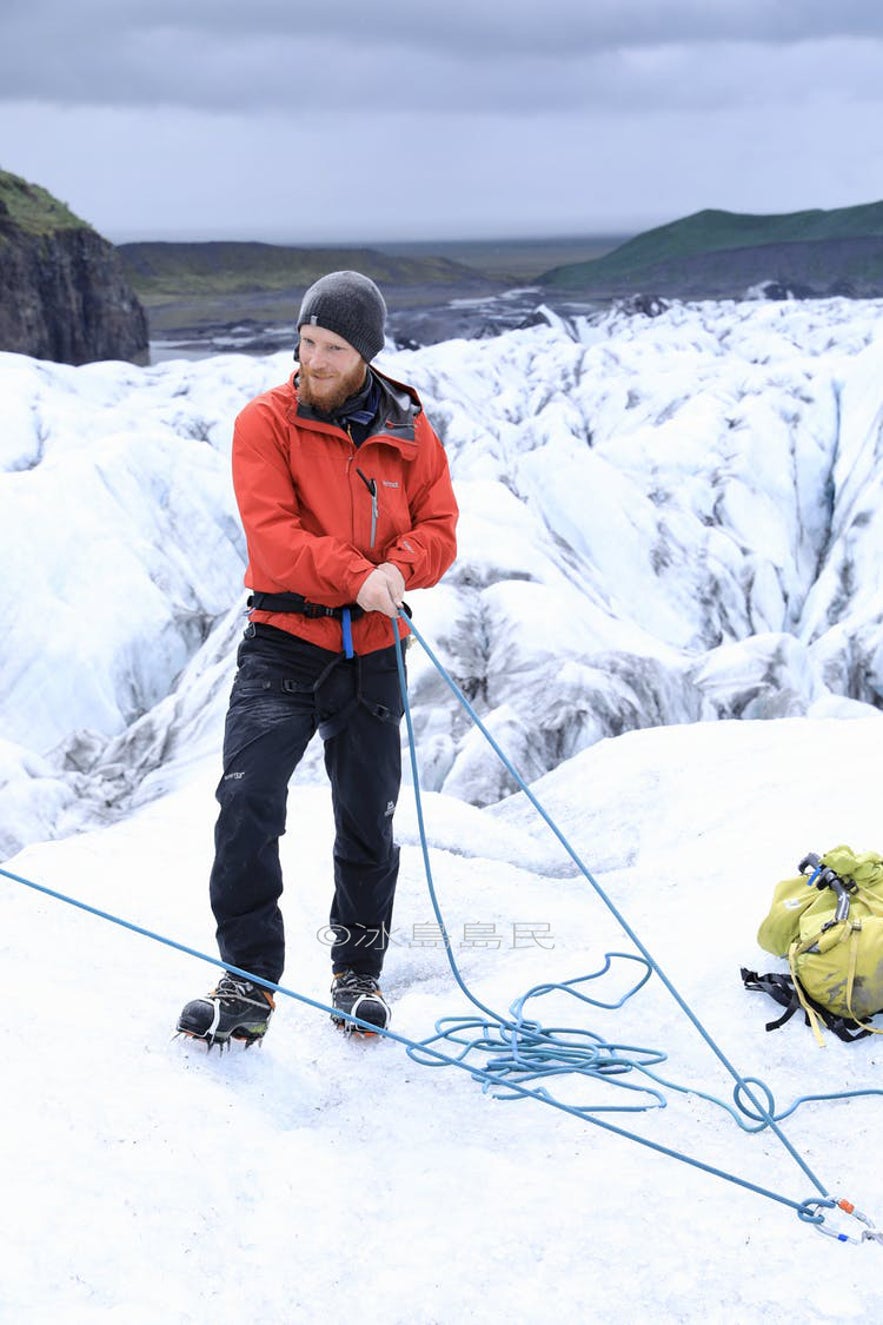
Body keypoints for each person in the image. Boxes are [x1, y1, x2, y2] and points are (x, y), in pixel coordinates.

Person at [177, 271, 458, 1047]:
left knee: (367, 820)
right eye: (306, 342)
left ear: (365, 352)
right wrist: (356, 576)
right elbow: (273, 535)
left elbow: (439, 523)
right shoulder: (264, 421)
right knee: (247, 799)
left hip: (372, 652)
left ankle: (356, 977)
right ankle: (248, 980)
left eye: (332, 347)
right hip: (283, 644)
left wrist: (401, 566)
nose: (314, 360)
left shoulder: (408, 430)